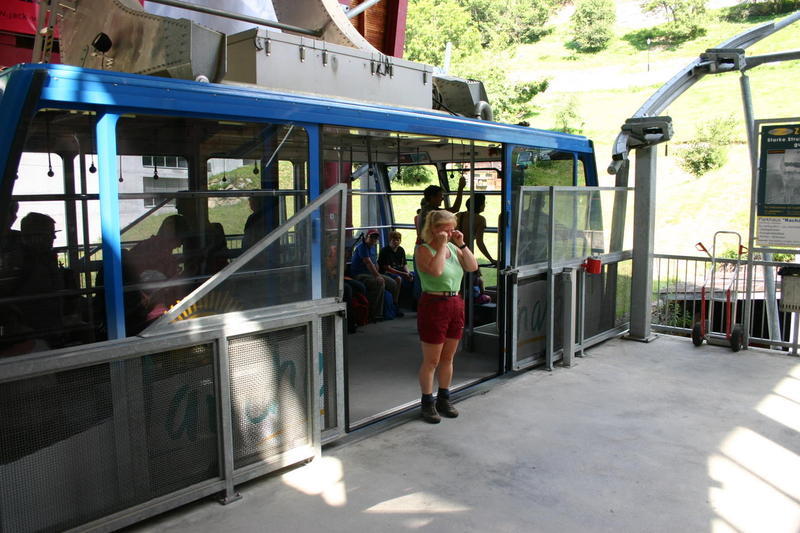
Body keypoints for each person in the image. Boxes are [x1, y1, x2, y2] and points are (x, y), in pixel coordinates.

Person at [414, 209, 478, 423]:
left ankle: (444, 397)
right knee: (432, 360)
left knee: (448, 357)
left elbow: (472, 266)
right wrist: (440, 246)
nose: (450, 233)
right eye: (445, 229)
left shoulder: (453, 246)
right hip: (433, 304)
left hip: (455, 303)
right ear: (433, 229)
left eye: (452, 229)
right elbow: (436, 272)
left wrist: (461, 244)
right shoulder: (423, 250)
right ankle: (427, 402)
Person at [349, 230, 400, 321]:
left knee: (393, 283)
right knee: (379, 283)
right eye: (371, 237)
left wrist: (379, 273)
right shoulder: (362, 247)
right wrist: (377, 276)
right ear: (366, 237)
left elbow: (375, 263)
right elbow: (368, 263)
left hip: (371, 274)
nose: (374, 239)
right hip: (360, 274)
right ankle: (375, 314)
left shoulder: (373, 248)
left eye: (375, 238)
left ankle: (391, 309)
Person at [416, 175, 467, 242]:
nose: (442, 198)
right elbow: (455, 209)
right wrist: (460, 188)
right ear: (432, 198)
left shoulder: (425, 208)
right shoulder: (433, 213)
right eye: (440, 196)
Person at [455, 193, 496, 265]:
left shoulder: (458, 215)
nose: (485, 205)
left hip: (453, 252)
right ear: (480, 205)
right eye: (484, 203)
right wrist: (491, 259)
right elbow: (479, 242)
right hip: (465, 252)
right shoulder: (480, 219)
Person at [378, 230, 414, 307]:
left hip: (399, 271)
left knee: (413, 276)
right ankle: (395, 303)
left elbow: (404, 264)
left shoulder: (401, 250)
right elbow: (388, 268)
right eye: (394, 240)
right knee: (398, 279)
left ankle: (411, 303)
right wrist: (403, 274)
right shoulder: (385, 251)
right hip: (386, 272)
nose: (396, 242)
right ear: (390, 240)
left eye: (398, 240)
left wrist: (408, 273)